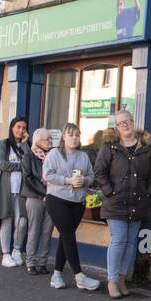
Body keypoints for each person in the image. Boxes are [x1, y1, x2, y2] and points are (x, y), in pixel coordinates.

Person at [94, 110, 151, 301]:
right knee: (119, 239)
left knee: (130, 243)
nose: (125, 125)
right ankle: (112, 280)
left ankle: (122, 278)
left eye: (128, 121)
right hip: (116, 204)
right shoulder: (109, 147)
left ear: (133, 122)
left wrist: (148, 192)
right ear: (116, 127)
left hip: (137, 203)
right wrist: (110, 191)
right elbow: (99, 171)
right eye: (121, 123)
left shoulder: (145, 148)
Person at [43, 123, 102, 290]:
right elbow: (47, 175)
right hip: (57, 199)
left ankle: (56, 275)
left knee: (65, 236)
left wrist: (85, 181)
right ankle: (79, 276)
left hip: (77, 202)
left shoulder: (83, 156)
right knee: (68, 235)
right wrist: (68, 181)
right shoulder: (54, 154)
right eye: (71, 135)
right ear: (63, 136)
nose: (74, 138)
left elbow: (91, 176)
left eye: (77, 135)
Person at [0, 116, 30, 268]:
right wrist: (19, 166)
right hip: (5, 188)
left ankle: (17, 250)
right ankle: (6, 254)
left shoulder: (27, 145)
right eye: (18, 127)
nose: (21, 130)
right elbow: (0, 163)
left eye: (24, 128)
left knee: (22, 221)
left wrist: (26, 144)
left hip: (22, 190)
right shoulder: (4, 144)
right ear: (12, 128)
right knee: (6, 220)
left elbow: (29, 163)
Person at [21, 128, 54, 275]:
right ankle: (31, 262)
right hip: (35, 198)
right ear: (38, 141)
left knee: (47, 231)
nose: (50, 141)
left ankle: (43, 262)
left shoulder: (53, 155)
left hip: (52, 198)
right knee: (34, 230)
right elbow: (28, 179)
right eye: (47, 139)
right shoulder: (28, 156)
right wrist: (44, 192)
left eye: (51, 139)